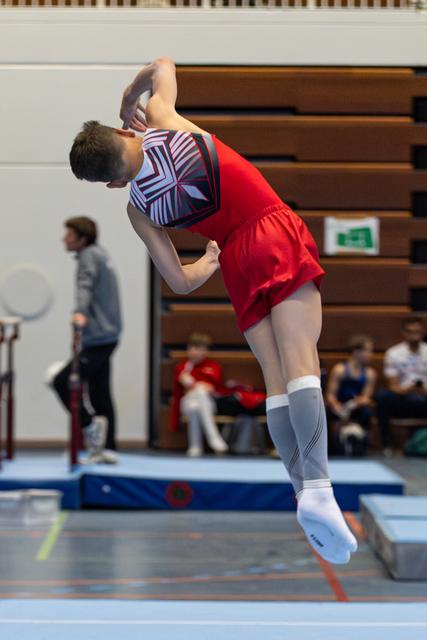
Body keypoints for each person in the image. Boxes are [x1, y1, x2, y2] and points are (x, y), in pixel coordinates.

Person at [69, 57, 357, 563]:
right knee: (301, 364)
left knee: (274, 378)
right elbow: (162, 63)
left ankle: (302, 490)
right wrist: (132, 94)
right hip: (272, 228)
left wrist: (206, 259)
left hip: (236, 260)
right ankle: (320, 488)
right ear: (124, 130)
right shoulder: (164, 120)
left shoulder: (139, 208)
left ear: (112, 183)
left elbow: (179, 281)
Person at [51, 217, 122, 464]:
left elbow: (86, 284)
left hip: (99, 336)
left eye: (68, 235)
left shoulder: (89, 257)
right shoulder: (101, 253)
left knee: (62, 382)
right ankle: (108, 448)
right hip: (107, 334)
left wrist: (79, 311)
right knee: (100, 391)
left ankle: (90, 426)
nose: (64, 239)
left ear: (82, 238)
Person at [170, 332, 228, 457]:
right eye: (192, 348)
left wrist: (194, 385)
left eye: (200, 349)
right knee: (198, 395)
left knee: (195, 406)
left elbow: (213, 389)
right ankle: (214, 438)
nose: (195, 352)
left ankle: (195, 446)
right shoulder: (182, 367)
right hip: (186, 403)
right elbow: (179, 393)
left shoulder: (213, 366)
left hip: (209, 405)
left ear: (206, 351)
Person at [376, 316, 427, 455]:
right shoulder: (394, 353)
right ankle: (386, 445)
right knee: (382, 396)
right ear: (404, 333)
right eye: (410, 332)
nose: (414, 335)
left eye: (417, 331)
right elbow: (393, 385)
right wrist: (409, 389)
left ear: (422, 332)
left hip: (425, 399)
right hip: (403, 398)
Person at [325, 335, 376, 456]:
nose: (371, 354)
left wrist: (355, 403)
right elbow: (330, 394)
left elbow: (366, 397)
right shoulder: (340, 370)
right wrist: (336, 405)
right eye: (368, 351)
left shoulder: (370, 373)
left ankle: (361, 445)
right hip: (339, 406)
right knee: (325, 412)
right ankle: (329, 447)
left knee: (367, 412)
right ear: (357, 352)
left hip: (355, 407)